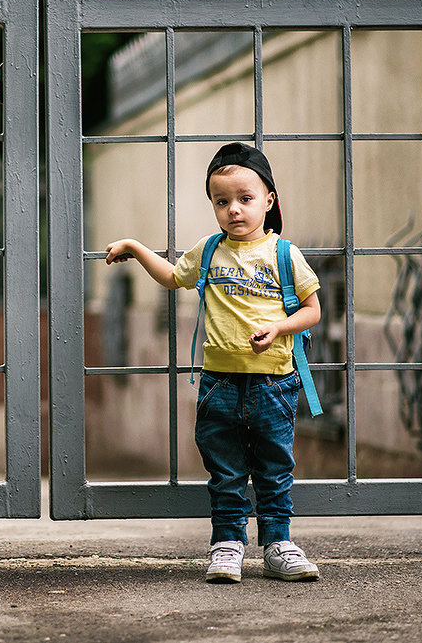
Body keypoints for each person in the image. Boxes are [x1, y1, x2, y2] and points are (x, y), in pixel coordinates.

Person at [104, 142, 322, 584]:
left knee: (274, 470)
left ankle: (278, 544)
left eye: (245, 199)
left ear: (268, 200)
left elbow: (312, 309)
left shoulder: (284, 254)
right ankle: (227, 545)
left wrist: (279, 329)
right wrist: (134, 246)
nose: (234, 210)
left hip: (274, 384)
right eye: (222, 202)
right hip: (219, 384)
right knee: (224, 472)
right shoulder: (209, 251)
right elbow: (171, 276)